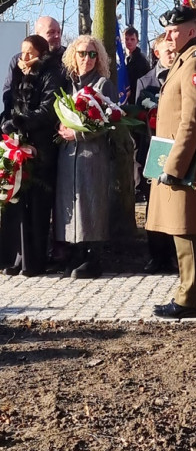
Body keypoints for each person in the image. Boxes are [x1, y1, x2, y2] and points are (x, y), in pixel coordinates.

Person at [148, 5, 196, 320]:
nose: (170, 36)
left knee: (188, 229)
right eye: (168, 31)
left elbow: (192, 122)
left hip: (188, 161)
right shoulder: (184, 61)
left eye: (176, 30)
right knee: (182, 228)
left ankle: (189, 300)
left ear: (192, 30)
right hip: (179, 156)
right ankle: (187, 295)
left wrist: (174, 166)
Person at [0, 35, 64, 276]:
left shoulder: (51, 73)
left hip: (41, 148)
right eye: (22, 52)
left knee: (37, 206)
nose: (23, 57)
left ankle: (33, 262)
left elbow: (48, 109)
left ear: (41, 54)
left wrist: (21, 122)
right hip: (18, 145)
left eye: (29, 53)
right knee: (16, 202)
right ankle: (13, 258)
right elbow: (10, 103)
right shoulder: (18, 71)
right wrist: (8, 124)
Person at [54, 36, 118, 278]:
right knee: (70, 202)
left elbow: (108, 122)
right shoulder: (68, 84)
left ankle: (93, 257)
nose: (87, 59)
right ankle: (75, 253)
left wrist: (78, 135)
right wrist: (60, 129)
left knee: (91, 204)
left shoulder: (104, 84)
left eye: (92, 54)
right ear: (74, 55)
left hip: (92, 154)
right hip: (68, 154)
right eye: (82, 53)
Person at [135, 34, 177, 274]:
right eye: (167, 50)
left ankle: (172, 255)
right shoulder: (145, 80)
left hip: (176, 147)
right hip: (153, 149)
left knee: (173, 202)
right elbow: (138, 111)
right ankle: (156, 255)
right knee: (154, 205)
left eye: (174, 50)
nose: (171, 54)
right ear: (157, 52)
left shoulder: (181, 74)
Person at [3, 16, 65, 108]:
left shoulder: (68, 58)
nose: (57, 36)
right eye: (51, 32)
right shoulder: (18, 61)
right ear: (37, 34)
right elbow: (8, 92)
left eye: (59, 32)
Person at [124, 26, 150, 104]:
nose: (129, 42)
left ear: (137, 41)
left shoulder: (141, 60)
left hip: (136, 99)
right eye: (126, 39)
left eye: (132, 39)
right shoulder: (120, 59)